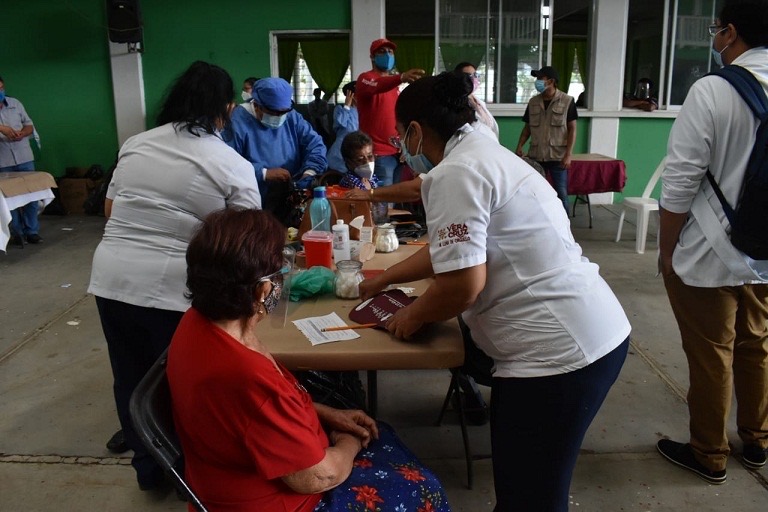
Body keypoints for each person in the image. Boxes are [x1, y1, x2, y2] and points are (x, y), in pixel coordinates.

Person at [359, 71, 631, 511]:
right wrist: (384, 280)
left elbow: (464, 284)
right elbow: (454, 248)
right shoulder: (481, 152)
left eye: (398, 136)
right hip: (582, 337)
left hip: (558, 357)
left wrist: (412, 315)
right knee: (528, 491)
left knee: (530, 498)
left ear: (413, 131)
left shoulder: (458, 170)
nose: (402, 148)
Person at [168, 208, 451, 512]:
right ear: (263, 290)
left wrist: (326, 414)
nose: (282, 280)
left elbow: (251, 417)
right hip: (278, 501)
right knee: (422, 488)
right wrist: (348, 442)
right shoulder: (243, 375)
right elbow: (317, 476)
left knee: (381, 433)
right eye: (279, 273)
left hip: (233, 473)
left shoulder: (199, 323)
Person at [88, 60, 262, 491]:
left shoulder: (136, 144)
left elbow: (111, 209)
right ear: (226, 108)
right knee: (181, 384)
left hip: (111, 278)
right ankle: (187, 472)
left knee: (130, 376)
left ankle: (148, 471)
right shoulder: (230, 162)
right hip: (171, 291)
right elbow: (248, 238)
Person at [656, 0, 768, 484]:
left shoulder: (713, 91)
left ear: (731, 32)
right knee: (757, 347)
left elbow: (679, 182)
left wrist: (666, 250)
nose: (716, 38)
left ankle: (709, 452)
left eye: (717, 29)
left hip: (708, 253)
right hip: (765, 252)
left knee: (711, 353)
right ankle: (758, 439)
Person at [226, 77, 327, 225]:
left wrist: (310, 171)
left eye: (283, 112)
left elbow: (315, 144)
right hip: (254, 200)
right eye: (273, 112)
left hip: (290, 195)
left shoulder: (291, 116)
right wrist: (264, 173)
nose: (279, 117)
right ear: (258, 105)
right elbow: (228, 165)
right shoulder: (237, 121)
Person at [356, 38, 425, 187]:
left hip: (398, 154)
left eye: (390, 52)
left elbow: (397, 118)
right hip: (378, 154)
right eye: (382, 52)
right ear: (372, 57)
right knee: (383, 203)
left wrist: (404, 145)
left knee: (394, 200)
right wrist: (400, 78)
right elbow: (378, 85)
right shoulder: (365, 79)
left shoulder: (394, 87)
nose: (387, 55)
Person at [515, 66, 578, 212]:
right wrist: (520, 146)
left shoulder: (567, 101)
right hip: (536, 156)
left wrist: (568, 155)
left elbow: (572, 129)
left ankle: (564, 227)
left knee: (561, 193)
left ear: (551, 81)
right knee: (535, 193)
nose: (537, 82)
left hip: (558, 156)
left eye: (540, 78)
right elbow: (527, 128)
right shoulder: (533, 102)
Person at [0, 76, 41, 245]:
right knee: (10, 200)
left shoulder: (15, 103)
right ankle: (16, 232)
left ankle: (32, 231)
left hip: (24, 157)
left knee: (31, 195)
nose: (0, 92)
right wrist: (3, 129)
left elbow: (29, 124)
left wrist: (23, 133)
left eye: (1, 88)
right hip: (3, 161)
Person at [454, 62, 499, 140]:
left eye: (475, 75)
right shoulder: (457, 102)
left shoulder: (479, 102)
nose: (473, 79)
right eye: (469, 76)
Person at [326, 81, 359, 173]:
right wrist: (347, 106)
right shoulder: (340, 109)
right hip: (339, 151)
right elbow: (341, 122)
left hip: (357, 150)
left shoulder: (363, 111)